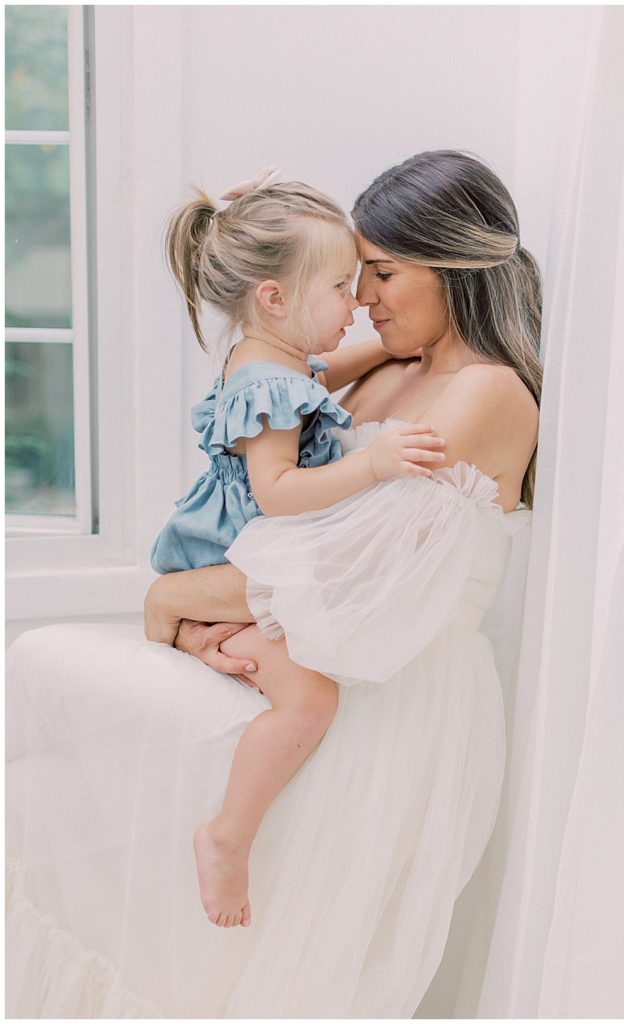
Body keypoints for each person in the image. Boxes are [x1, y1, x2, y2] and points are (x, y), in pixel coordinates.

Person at [7, 150, 542, 1018]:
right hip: (309, 653)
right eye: (355, 274)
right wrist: (262, 228)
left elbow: (349, 569)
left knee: (285, 963)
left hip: (388, 692)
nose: (363, 296)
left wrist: (171, 601)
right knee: (187, 934)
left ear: (451, 266)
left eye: (381, 272)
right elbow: (279, 365)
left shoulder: (490, 392)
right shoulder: (390, 366)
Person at [151, 172, 447, 928]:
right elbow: (278, 491)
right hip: (233, 561)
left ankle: (197, 636)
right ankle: (226, 837)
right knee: (312, 700)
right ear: (275, 299)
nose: (356, 304)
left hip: (242, 560)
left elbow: (323, 372)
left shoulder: (272, 358)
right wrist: (374, 464)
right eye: (342, 288)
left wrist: (392, 359)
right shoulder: (265, 380)